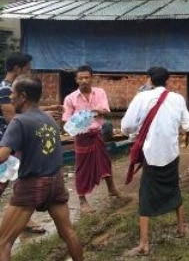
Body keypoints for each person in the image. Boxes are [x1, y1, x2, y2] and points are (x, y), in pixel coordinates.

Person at [0, 75, 83, 260]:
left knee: (3, 242)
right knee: (68, 233)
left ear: (22, 96)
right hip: (56, 182)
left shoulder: (19, 121)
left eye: (12, 93)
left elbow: (3, 155)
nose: (10, 97)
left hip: (31, 185)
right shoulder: (49, 120)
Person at [121, 67, 189, 257]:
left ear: (149, 79)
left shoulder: (141, 98)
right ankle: (181, 227)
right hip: (171, 152)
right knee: (173, 187)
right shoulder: (177, 98)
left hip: (151, 154)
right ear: (167, 81)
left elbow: (126, 126)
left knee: (146, 195)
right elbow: (188, 124)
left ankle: (144, 243)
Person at [0, 52, 62, 235]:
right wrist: (43, 117)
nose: (29, 71)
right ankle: (20, 219)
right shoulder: (5, 90)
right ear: (18, 68)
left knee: (14, 180)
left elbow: (28, 110)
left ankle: (23, 218)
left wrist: (47, 110)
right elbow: (12, 117)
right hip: (9, 141)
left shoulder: (12, 89)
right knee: (4, 182)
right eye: (27, 68)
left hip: (18, 140)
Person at [62, 65, 122, 214]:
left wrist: (97, 112)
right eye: (80, 78)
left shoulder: (100, 93)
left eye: (87, 77)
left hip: (98, 134)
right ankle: (82, 200)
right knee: (82, 168)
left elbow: (106, 112)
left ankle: (112, 189)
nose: (84, 80)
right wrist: (81, 120)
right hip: (82, 137)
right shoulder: (70, 98)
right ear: (76, 80)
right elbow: (66, 120)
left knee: (105, 162)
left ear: (92, 78)